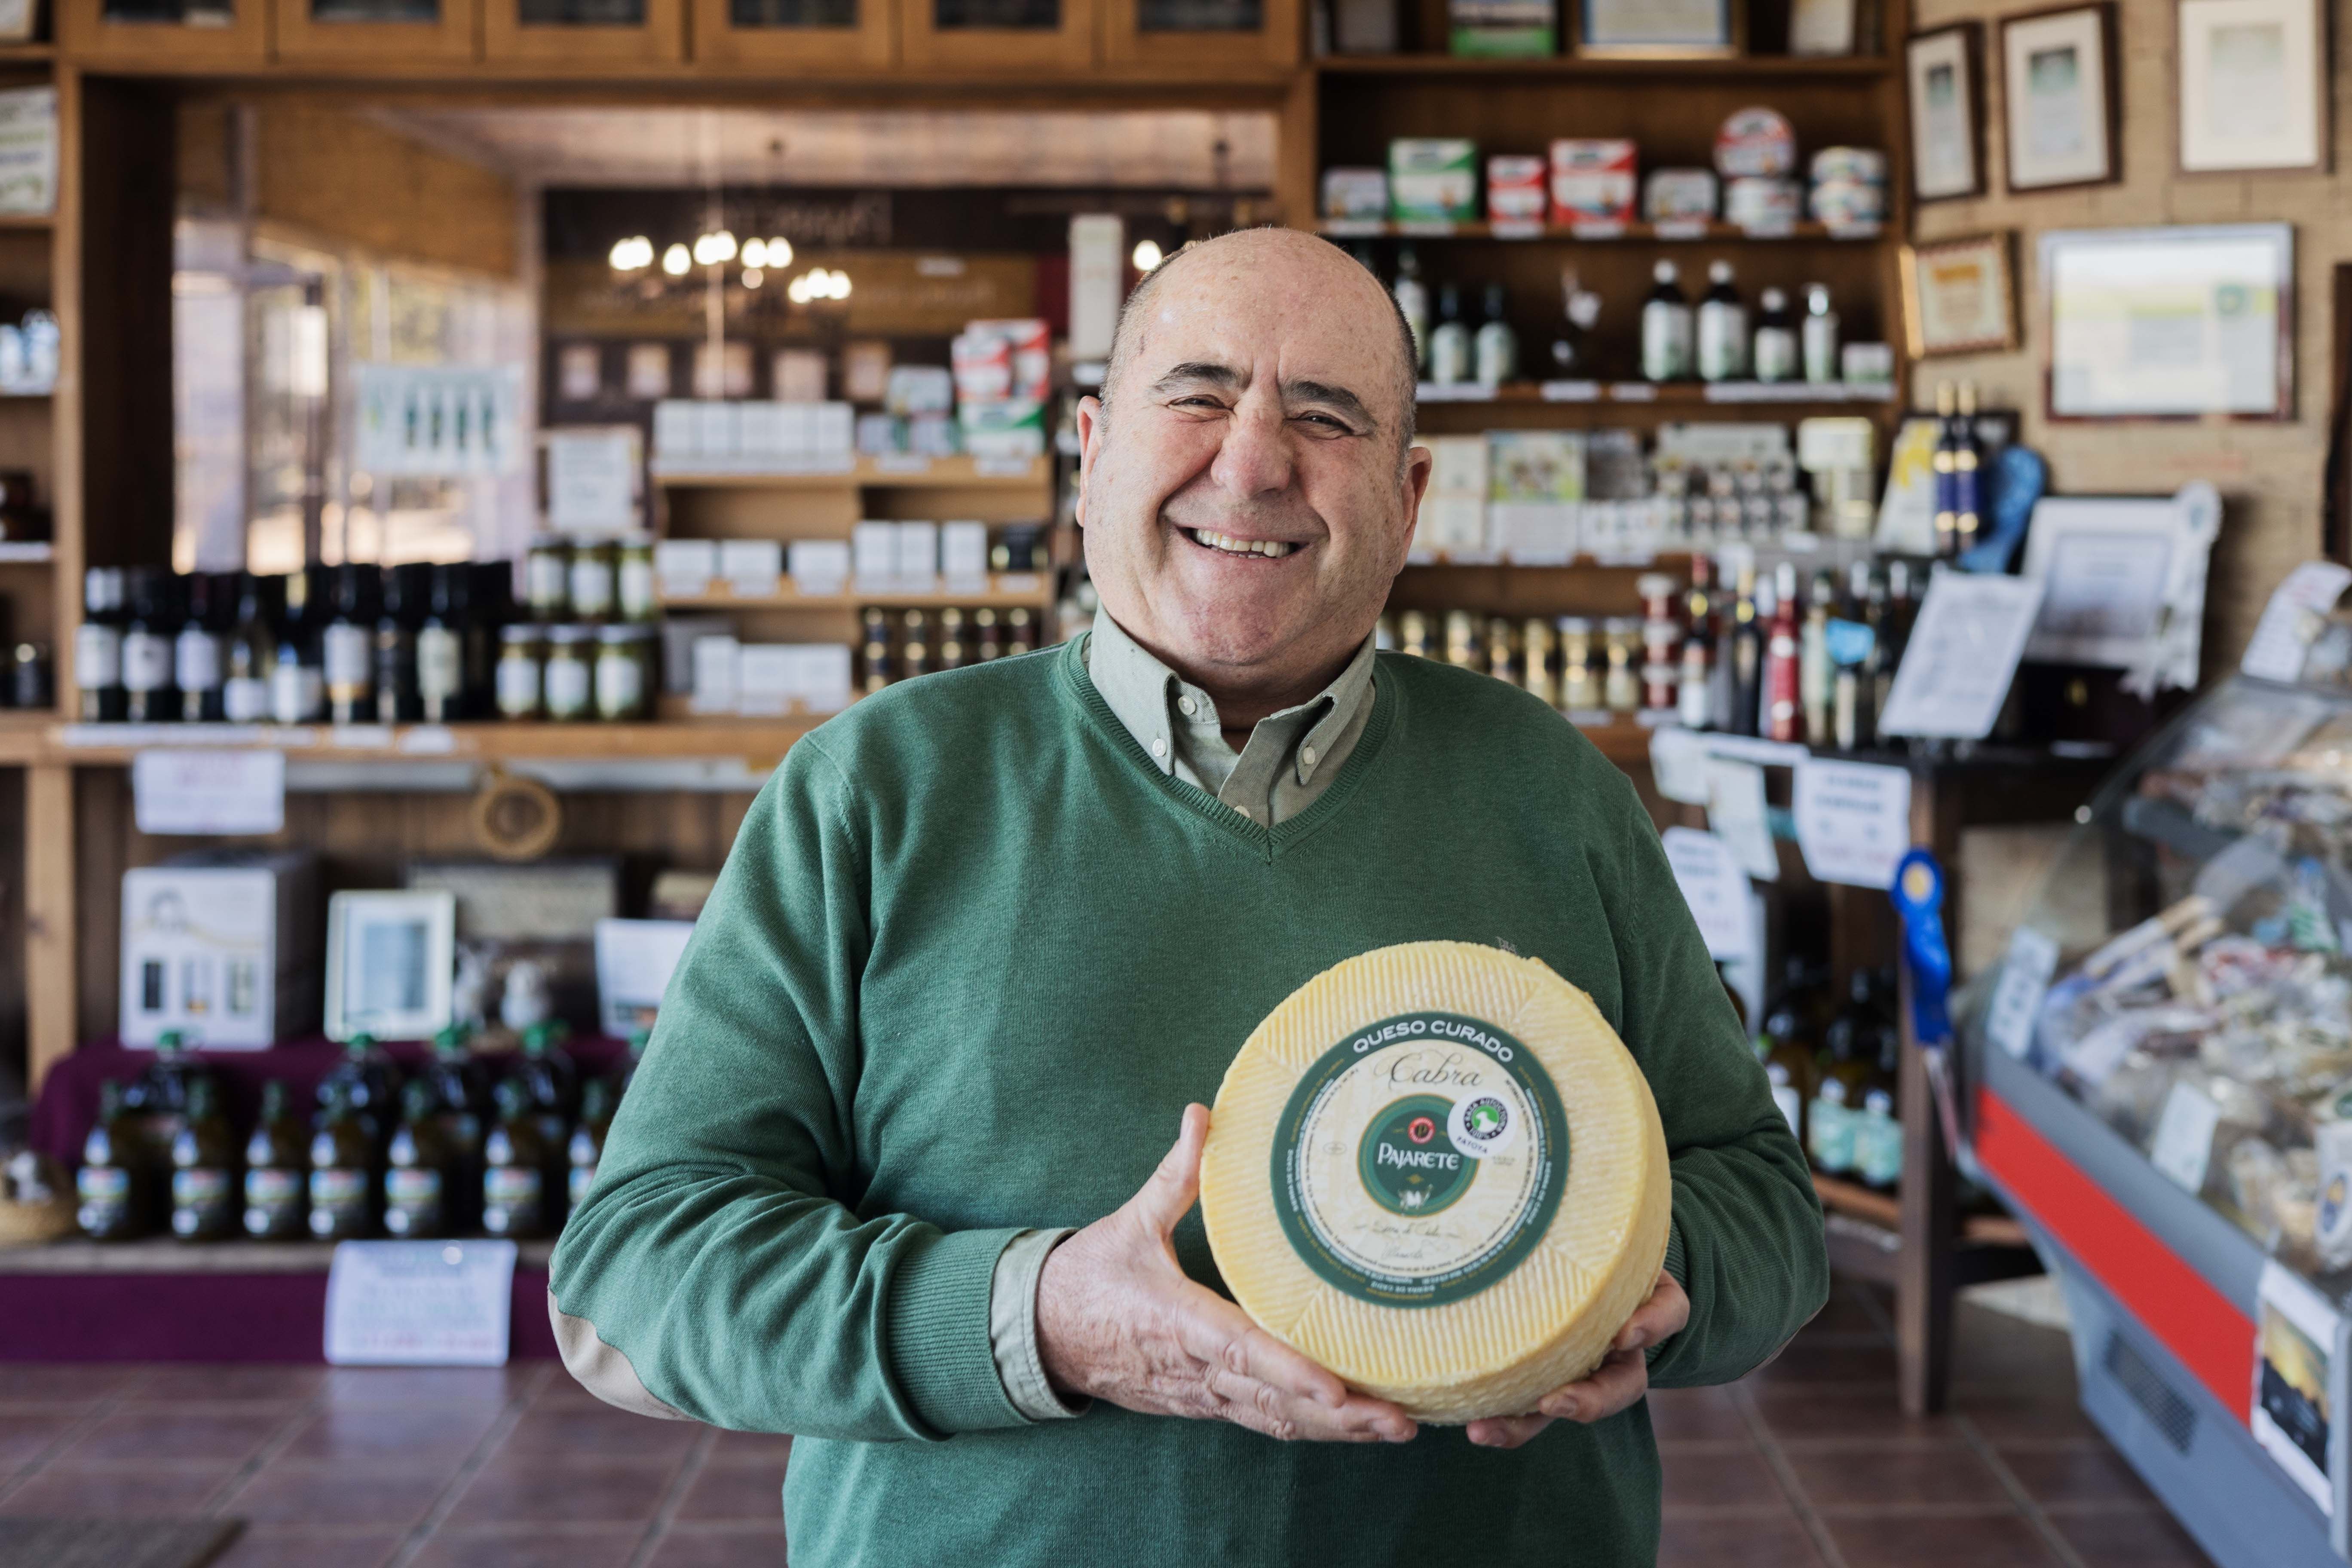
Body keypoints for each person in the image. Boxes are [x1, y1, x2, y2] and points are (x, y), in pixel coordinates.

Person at [550, 227, 1826, 1566]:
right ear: (1092, 451)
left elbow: (1765, 1205)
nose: (1255, 460)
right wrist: (1041, 1323)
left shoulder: (1552, 790)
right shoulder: (877, 788)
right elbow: (634, 1281)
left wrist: (1633, 1283)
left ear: (1409, 496)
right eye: (1200, 395)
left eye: (1326, 416)